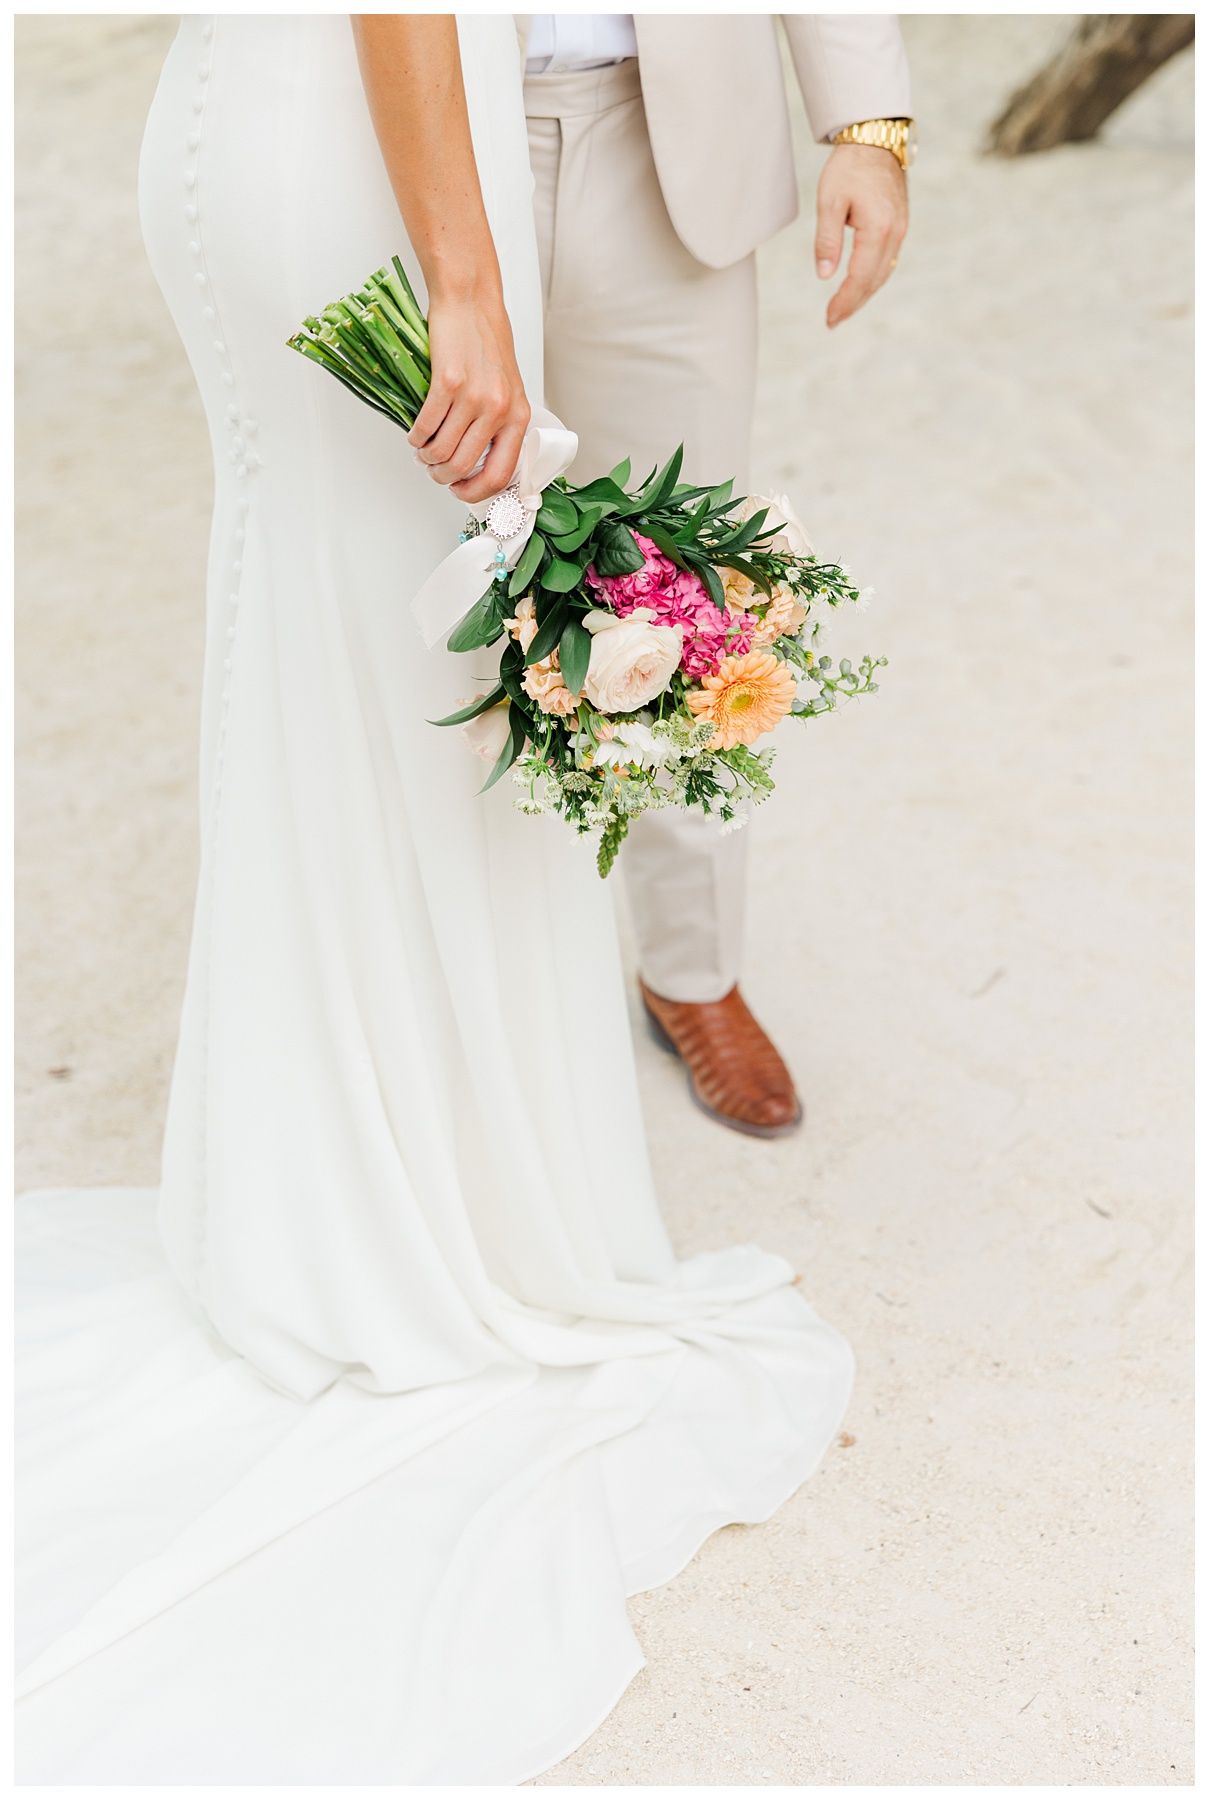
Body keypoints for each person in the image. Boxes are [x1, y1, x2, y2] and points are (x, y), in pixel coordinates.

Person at [16, 16, 852, 1783]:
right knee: (390, 659)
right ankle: (393, 1219)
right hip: (371, 155)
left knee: (352, 663)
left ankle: (354, 1182)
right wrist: (463, 284)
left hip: (302, 123)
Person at [522, 14, 912, 1135]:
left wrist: (866, 124)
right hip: (408, 142)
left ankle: (691, 973)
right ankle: (435, 975)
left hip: (670, 132)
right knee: (409, 570)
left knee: (681, 596)